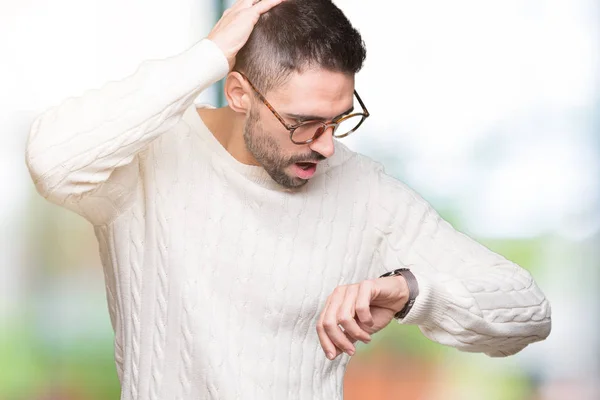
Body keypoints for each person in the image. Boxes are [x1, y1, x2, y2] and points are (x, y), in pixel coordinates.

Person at [24, 0, 552, 399]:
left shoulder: (364, 192)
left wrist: (410, 290)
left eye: (339, 119)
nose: (326, 145)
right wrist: (205, 56)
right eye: (302, 124)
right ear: (237, 93)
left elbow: (528, 310)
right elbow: (53, 161)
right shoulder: (151, 159)